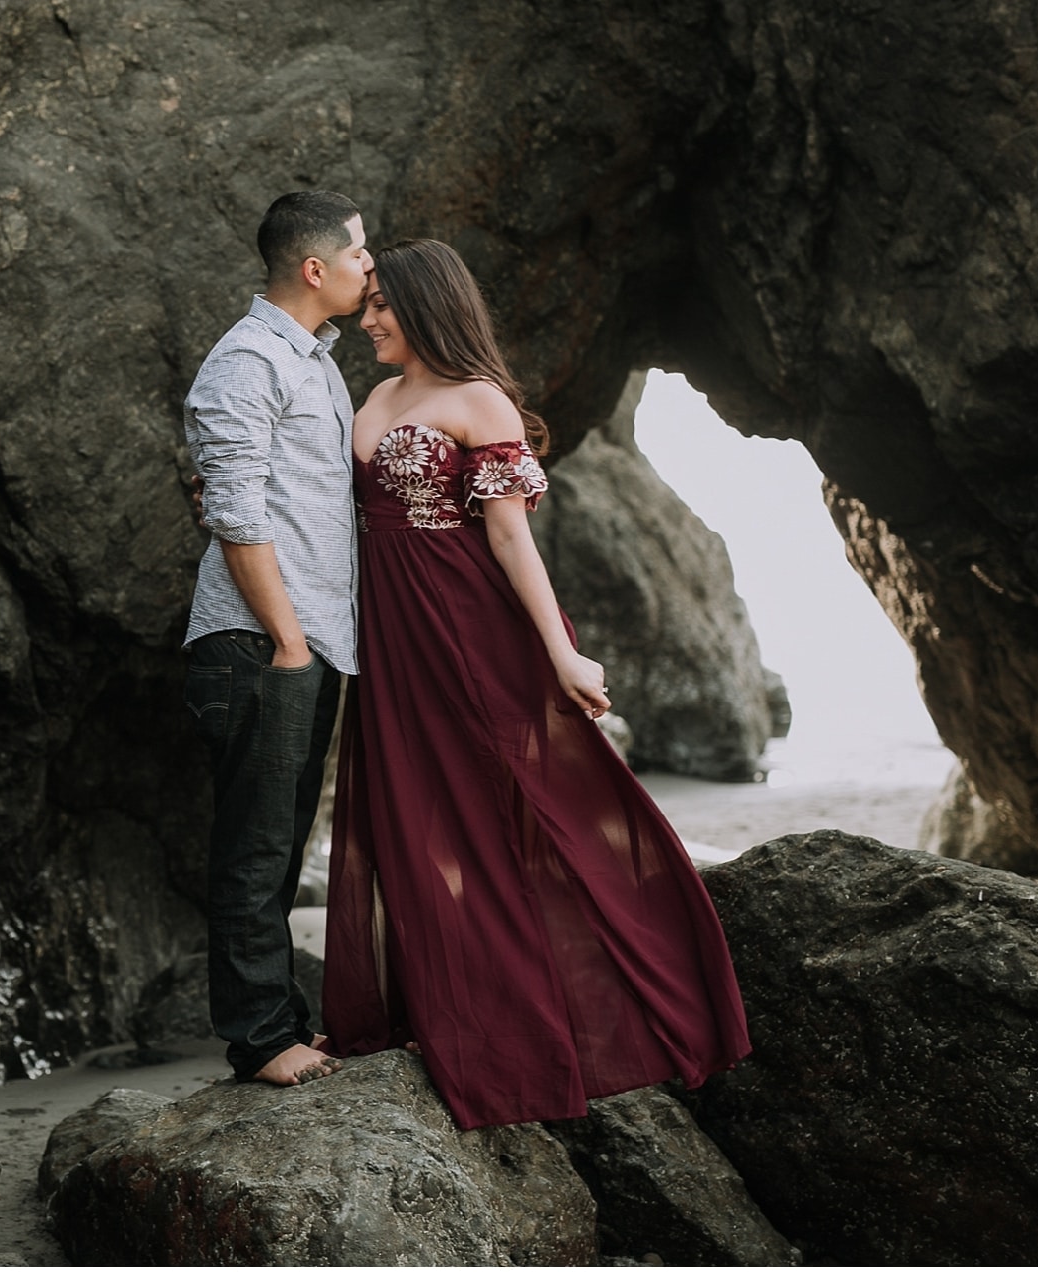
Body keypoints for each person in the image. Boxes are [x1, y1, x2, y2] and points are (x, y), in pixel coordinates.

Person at [322, 238, 752, 1129]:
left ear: (425, 304)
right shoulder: (372, 398)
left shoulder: (481, 401)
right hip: (391, 638)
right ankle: (448, 1013)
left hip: (470, 627)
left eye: (379, 307)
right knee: (415, 815)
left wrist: (560, 651)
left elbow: (513, 538)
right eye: (363, 306)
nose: (366, 323)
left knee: (526, 804)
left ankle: (616, 1006)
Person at [182, 191, 371, 1087]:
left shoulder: (314, 362)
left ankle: (281, 1021)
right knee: (255, 847)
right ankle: (260, 1039)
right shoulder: (248, 359)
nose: (370, 268)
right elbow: (234, 511)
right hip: (262, 644)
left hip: (305, 642)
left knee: (283, 841)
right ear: (314, 268)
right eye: (360, 254)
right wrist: (289, 640)